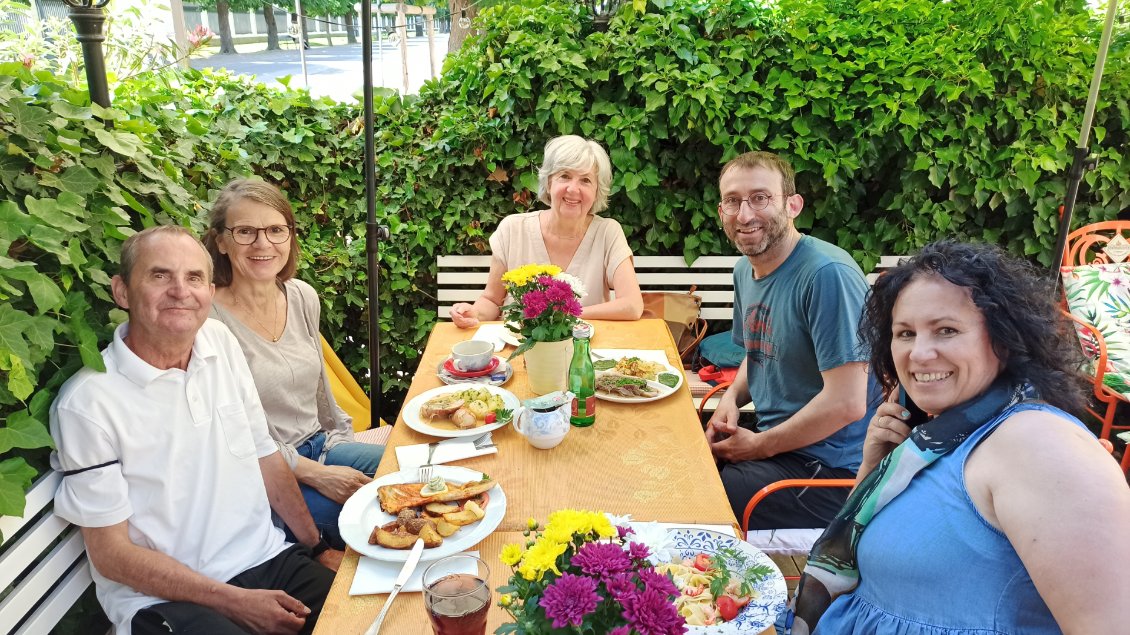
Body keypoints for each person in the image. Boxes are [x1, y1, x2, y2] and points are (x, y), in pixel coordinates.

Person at [792, 240, 1130, 634]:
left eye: (946, 330)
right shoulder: (940, 439)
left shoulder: (1039, 446)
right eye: (905, 333)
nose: (919, 354)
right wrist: (875, 469)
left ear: (1003, 338)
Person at [49, 226, 340, 635]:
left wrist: (318, 548)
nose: (180, 291)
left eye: (194, 278)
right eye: (160, 275)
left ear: (209, 290)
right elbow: (111, 554)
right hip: (165, 600)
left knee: (377, 621)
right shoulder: (88, 403)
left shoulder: (218, 341)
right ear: (122, 292)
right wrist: (233, 601)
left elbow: (264, 454)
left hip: (267, 559)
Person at [203, 179, 383, 550]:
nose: (263, 243)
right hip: (265, 477)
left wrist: (340, 446)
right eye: (245, 232)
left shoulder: (301, 296)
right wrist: (318, 475)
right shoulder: (210, 322)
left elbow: (321, 396)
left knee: (412, 474)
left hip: (322, 446)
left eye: (275, 230)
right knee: (369, 523)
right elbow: (233, 434)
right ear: (220, 241)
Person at [705, 151, 881, 529]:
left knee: (708, 497)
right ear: (722, 211)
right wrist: (730, 401)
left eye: (760, 198)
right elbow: (757, 352)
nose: (745, 214)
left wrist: (757, 447)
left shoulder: (826, 275)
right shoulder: (745, 271)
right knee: (684, 457)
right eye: (733, 201)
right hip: (778, 445)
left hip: (834, 472)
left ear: (793, 205)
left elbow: (847, 404)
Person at [449, 135, 644, 327]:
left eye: (585, 180)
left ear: (596, 191)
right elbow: (492, 300)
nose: (573, 189)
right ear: (549, 182)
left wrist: (565, 314)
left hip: (584, 350)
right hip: (517, 347)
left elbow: (632, 306)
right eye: (565, 176)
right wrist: (473, 313)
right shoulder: (513, 229)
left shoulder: (608, 233)